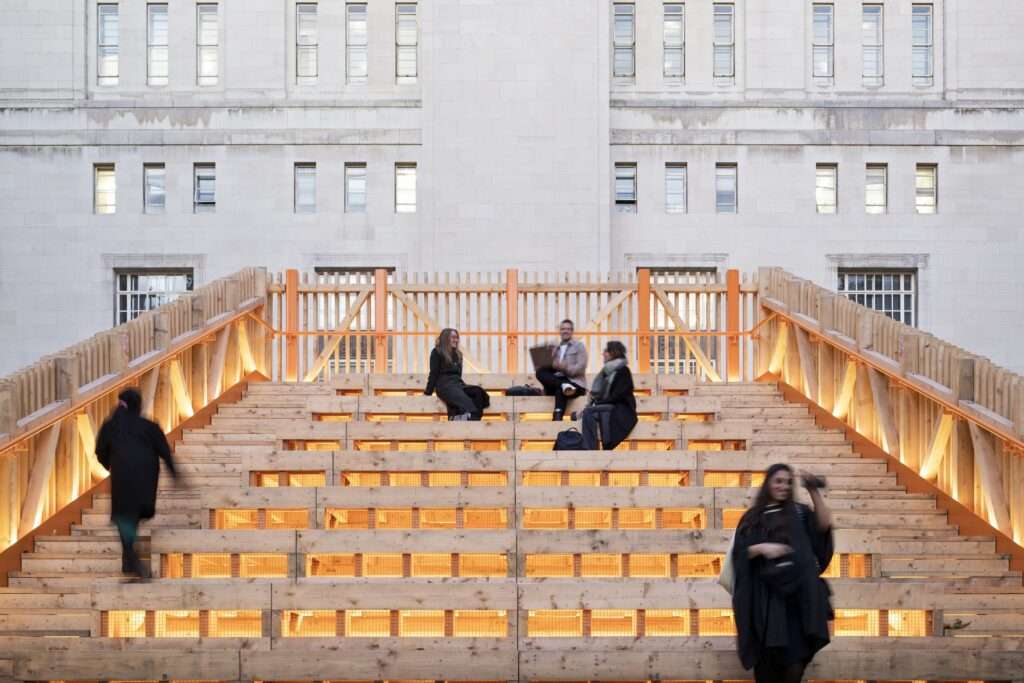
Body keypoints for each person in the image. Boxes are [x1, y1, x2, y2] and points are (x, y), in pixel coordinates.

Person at [731, 463, 834, 683]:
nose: (784, 486)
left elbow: (823, 527)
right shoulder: (753, 517)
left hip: (797, 604)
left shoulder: (800, 512)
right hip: (765, 604)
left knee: (795, 667)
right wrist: (762, 548)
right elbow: (739, 554)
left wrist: (813, 491)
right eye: (778, 481)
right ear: (768, 483)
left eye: (788, 482)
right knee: (767, 669)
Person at [95, 388, 178, 580]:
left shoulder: (110, 426)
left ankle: (129, 555)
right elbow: (165, 451)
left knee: (125, 517)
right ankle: (130, 557)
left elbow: (100, 452)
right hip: (145, 478)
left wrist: (111, 465)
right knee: (134, 515)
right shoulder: (148, 426)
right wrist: (175, 474)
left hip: (122, 478)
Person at [577, 340, 637, 450]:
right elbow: (601, 395)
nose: (603, 354)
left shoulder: (624, 371)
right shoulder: (606, 372)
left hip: (622, 408)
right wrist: (595, 401)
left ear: (613, 353)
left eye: (606, 351)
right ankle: (591, 449)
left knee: (594, 411)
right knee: (590, 413)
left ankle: (604, 446)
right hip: (609, 406)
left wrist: (597, 403)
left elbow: (618, 396)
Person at [424, 328, 490, 421]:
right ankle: (462, 417)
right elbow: (433, 374)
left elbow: (459, 375)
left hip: (458, 385)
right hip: (444, 385)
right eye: (453, 337)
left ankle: (465, 418)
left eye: (457, 338)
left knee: (478, 392)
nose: (456, 340)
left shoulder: (458, 354)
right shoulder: (437, 352)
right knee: (468, 405)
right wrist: (428, 393)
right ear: (446, 338)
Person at [535, 319, 588, 421]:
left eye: (568, 329)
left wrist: (564, 367)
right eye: (563, 329)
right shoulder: (556, 348)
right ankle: (562, 384)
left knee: (561, 391)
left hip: (575, 384)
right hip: (558, 382)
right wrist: (549, 359)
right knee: (540, 371)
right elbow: (548, 369)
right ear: (560, 331)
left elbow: (581, 368)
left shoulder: (579, 346)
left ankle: (557, 418)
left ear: (572, 331)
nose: (565, 331)